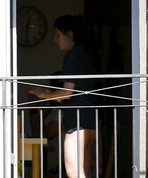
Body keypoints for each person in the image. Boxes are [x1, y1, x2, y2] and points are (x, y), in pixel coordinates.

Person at [29, 14, 97, 178]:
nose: (54, 40)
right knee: (84, 172)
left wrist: (42, 94)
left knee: (73, 172)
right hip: (90, 120)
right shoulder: (84, 54)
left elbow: (67, 93)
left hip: (77, 123)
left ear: (70, 35)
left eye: (57, 35)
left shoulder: (72, 55)